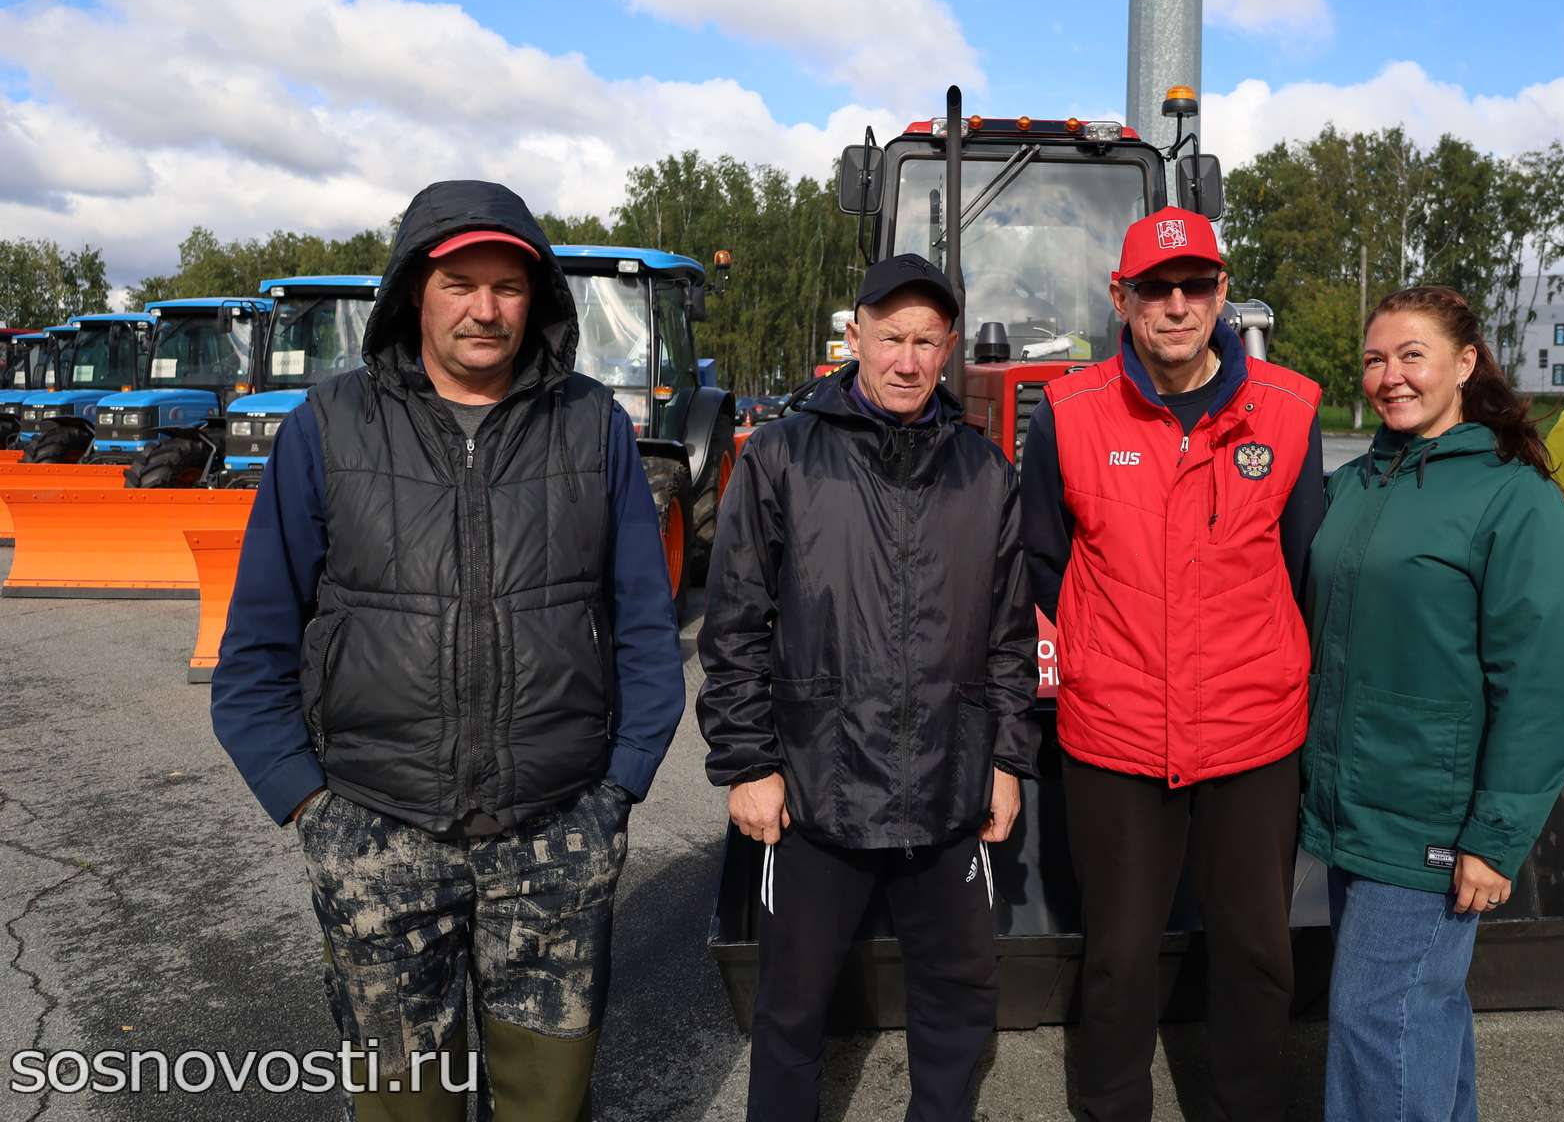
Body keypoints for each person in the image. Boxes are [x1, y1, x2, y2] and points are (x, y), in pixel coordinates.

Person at [212, 180, 686, 1121]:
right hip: (377, 835)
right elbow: (257, 645)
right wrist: (311, 809)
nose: (484, 308)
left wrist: (614, 791)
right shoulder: (327, 430)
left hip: (554, 834)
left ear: (537, 300)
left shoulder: (592, 428)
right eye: (459, 283)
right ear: (411, 298)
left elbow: (644, 629)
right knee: (404, 1109)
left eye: (507, 287)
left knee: (547, 1106)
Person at [697, 252, 1040, 1122]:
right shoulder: (782, 457)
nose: (908, 360)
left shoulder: (985, 474)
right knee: (791, 1008)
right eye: (891, 337)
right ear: (856, 335)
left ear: (948, 347)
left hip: (947, 788)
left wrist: (1006, 760)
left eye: (927, 341)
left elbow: (1007, 636)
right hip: (817, 790)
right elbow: (733, 625)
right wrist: (747, 764)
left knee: (958, 1003)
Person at [1020, 207, 1324, 1121]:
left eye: (1196, 286)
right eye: (1157, 288)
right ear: (1124, 299)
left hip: (1253, 734)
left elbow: (1306, 569)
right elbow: (1044, 564)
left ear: (1223, 293)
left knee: (1258, 953)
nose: (1179, 305)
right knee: (1116, 954)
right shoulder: (1068, 415)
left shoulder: (1291, 409)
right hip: (1115, 734)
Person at [1303, 285, 1564, 1122]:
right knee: (1421, 1018)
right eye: (1377, 359)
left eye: (1412, 355)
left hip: (1433, 819)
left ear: (1464, 363)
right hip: (1358, 810)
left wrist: (1494, 840)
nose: (1391, 377)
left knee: (1374, 1023)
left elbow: (1534, 681)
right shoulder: (1354, 486)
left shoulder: (1510, 496)